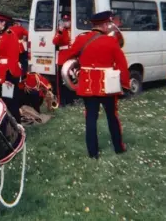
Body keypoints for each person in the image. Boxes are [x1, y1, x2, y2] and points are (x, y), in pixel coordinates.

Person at [66, 11, 130, 159]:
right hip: (108, 86)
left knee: (90, 119)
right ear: (105, 24)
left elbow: (67, 56)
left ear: (93, 25)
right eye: (108, 24)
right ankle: (118, 148)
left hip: (88, 86)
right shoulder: (111, 41)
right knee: (112, 117)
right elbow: (122, 64)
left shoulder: (81, 39)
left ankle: (93, 153)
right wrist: (124, 84)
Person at [0, 11, 22, 123]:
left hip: (8, 74)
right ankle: (10, 125)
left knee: (11, 102)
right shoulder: (2, 35)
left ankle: (17, 126)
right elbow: (0, 56)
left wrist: (6, 78)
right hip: (2, 74)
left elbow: (13, 58)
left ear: (3, 23)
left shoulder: (9, 35)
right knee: (5, 101)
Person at [52, 13, 75, 106]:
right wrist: (60, 32)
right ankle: (61, 101)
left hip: (71, 58)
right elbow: (55, 41)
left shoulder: (72, 30)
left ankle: (70, 100)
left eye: (67, 21)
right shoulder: (61, 31)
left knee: (71, 80)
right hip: (62, 58)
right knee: (61, 82)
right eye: (64, 21)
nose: (66, 23)